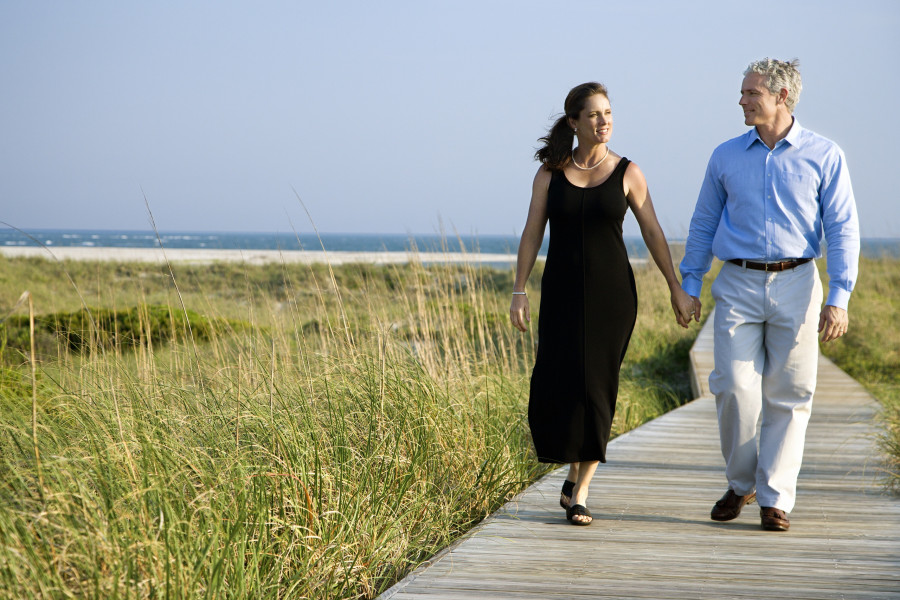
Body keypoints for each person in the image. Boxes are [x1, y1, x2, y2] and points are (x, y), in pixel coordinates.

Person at [680, 58, 860, 531]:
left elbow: (842, 229)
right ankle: (741, 484)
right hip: (737, 283)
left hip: (798, 281)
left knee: (791, 394)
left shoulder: (825, 155)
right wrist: (690, 283)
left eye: (750, 93)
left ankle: (775, 497)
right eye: (743, 93)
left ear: (782, 96)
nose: (741, 100)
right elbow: (702, 223)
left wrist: (839, 296)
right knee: (734, 390)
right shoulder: (724, 156)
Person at [510, 82, 695, 526]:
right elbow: (533, 232)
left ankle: (582, 490)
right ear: (574, 122)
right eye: (594, 114)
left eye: (608, 113)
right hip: (560, 294)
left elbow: (652, 232)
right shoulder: (550, 174)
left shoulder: (628, 172)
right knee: (559, 382)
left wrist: (675, 286)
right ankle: (572, 474)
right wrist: (519, 289)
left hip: (612, 296)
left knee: (598, 386)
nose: (604, 121)